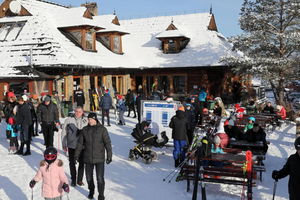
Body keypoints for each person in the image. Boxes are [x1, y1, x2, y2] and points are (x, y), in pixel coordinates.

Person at [75, 113, 112, 200]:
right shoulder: (85, 130)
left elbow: (107, 143)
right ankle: (91, 191)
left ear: (95, 119)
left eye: (91, 119)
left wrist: (109, 155)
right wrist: (76, 155)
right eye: (89, 119)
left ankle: (101, 195)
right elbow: (80, 143)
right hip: (88, 158)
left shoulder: (102, 129)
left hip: (99, 158)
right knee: (88, 178)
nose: (90, 121)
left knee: (100, 178)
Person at [61, 106, 88, 187]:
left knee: (82, 163)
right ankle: (73, 179)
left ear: (82, 112)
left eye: (80, 112)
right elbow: (64, 133)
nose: (78, 113)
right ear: (74, 111)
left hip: (82, 146)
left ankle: (79, 180)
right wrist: (64, 144)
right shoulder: (68, 120)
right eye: (76, 111)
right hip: (71, 145)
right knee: (72, 163)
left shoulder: (86, 120)